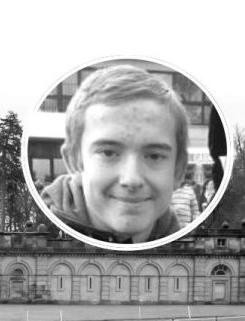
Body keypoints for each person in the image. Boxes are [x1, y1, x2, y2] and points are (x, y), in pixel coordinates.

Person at [40, 64, 189, 245]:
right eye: (108, 153)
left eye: (154, 156)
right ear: (74, 161)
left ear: (178, 169)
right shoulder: (39, 235)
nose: (131, 179)